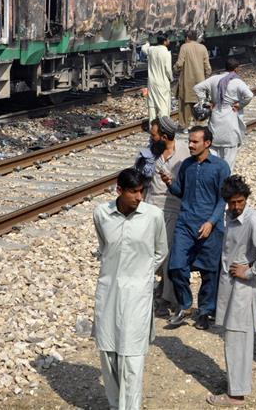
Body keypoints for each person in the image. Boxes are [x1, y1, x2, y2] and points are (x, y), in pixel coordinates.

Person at [93, 168, 168, 410]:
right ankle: (116, 405)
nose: (139, 197)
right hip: (108, 292)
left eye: (141, 191)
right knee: (108, 353)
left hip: (138, 295)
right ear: (119, 191)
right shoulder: (101, 214)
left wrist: (144, 275)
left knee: (132, 357)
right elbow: (105, 247)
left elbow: (161, 251)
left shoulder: (153, 216)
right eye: (133, 192)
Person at [208, 175, 256, 408]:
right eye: (232, 202)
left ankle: (236, 395)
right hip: (232, 288)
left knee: (238, 340)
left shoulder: (251, 221)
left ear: (246, 198)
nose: (236, 206)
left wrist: (249, 271)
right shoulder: (231, 216)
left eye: (240, 201)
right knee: (234, 338)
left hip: (243, 291)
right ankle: (235, 384)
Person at [165, 127, 231, 330]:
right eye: (190, 141)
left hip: (211, 226)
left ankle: (205, 311)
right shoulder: (187, 165)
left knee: (209, 271)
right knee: (175, 266)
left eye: (194, 142)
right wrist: (169, 183)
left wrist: (211, 222)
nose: (190, 145)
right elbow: (181, 191)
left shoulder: (221, 167)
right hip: (186, 223)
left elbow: (223, 199)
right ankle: (185, 305)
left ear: (207, 143)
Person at [137, 116, 190, 312]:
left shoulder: (184, 152)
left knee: (166, 254)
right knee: (149, 251)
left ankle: (168, 297)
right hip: (150, 206)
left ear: (165, 136)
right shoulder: (150, 153)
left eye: (154, 135)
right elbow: (141, 180)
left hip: (173, 209)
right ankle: (161, 289)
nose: (151, 139)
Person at [194, 58, 253, 171]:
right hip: (230, 117)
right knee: (229, 158)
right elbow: (249, 95)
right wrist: (240, 105)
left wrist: (205, 101)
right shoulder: (237, 81)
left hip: (216, 116)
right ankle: (225, 181)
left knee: (213, 152)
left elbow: (197, 88)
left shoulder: (214, 78)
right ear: (236, 69)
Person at [175, 30, 212, 130]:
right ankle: (199, 125)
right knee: (199, 103)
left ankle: (185, 127)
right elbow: (207, 67)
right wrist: (207, 77)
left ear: (187, 38)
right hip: (200, 81)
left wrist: (175, 70)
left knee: (185, 104)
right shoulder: (203, 47)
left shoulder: (184, 47)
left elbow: (179, 64)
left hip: (186, 81)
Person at [141, 33, 174, 122]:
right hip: (162, 82)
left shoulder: (151, 50)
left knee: (152, 106)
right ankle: (164, 126)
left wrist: (147, 42)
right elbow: (168, 70)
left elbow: (144, 48)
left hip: (151, 82)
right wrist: (171, 78)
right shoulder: (166, 53)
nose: (169, 41)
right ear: (164, 41)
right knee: (163, 106)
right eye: (168, 40)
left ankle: (152, 126)